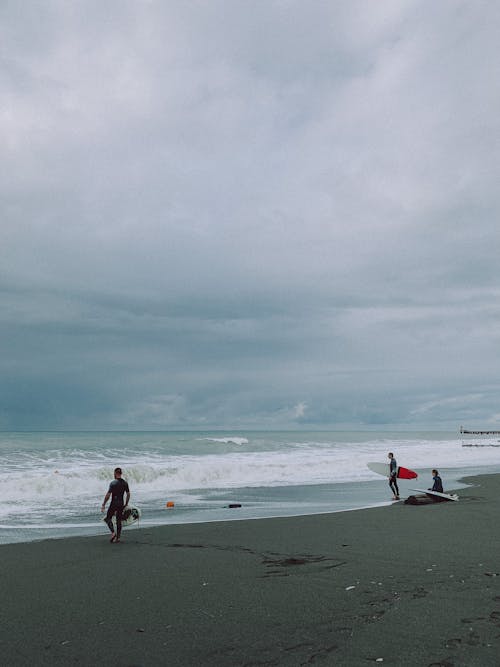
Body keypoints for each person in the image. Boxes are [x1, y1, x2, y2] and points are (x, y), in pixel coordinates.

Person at [101, 467, 130, 543]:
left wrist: (104, 504)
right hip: (121, 503)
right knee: (118, 521)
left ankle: (113, 533)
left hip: (114, 503)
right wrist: (126, 504)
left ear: (115, 473)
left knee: (108, 518)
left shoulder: (113, 483)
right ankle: (118, 538)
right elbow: (128, 494)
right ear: (121, 473)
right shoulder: (125, 483)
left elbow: (108, 495)